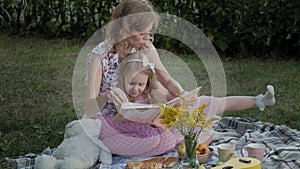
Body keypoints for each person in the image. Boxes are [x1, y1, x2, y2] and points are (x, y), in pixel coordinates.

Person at [83, 0, 276, 158]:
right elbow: (88, 108)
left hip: (146, 112)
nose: (147, 37)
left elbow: (166, 80)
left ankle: (258, 100)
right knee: (157, 138)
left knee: (201, 104)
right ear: (125, 28)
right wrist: (109, 96)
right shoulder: (100, 55)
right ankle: (193, 139)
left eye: (149, 32)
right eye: (142, 33)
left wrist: (183, 96)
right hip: (113, 119)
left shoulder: (145, 48)